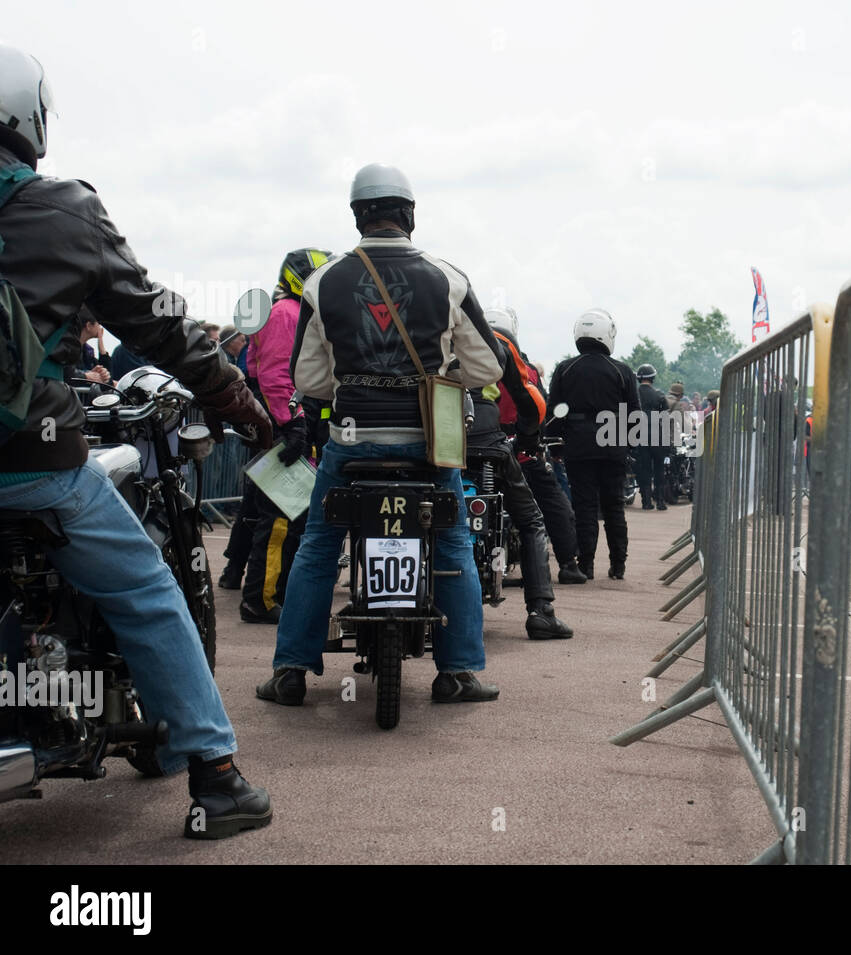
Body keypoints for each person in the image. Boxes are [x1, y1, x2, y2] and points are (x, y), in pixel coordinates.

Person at [0, 44, 274, 838]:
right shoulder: (65, 212)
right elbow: (158, 322)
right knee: (148, 594)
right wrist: (236, 398)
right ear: (30, 118)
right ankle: (218, 780)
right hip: (33, 464)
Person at [255, 163, 505, 706]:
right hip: (427, 446)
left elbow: (309, 379)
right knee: (454, 542)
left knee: (319, 546)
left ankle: (291, 671)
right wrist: (440, 378)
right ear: (410, 214)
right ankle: (457, 671)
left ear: (355, 215)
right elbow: (488, 369)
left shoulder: (323, 282)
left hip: (351, 441)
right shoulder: (448, 277)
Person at [236, 247, 332, 623]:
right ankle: (260, 599)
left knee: (291, 517)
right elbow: (275, 374)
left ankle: (276, 593)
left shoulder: (287, 312)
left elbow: (255, 367)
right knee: (278, 518)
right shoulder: (287, 314)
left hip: (287, 422)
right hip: (287, 425)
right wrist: (292, 424)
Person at [467, 308, 574, 638]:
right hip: (488, 440)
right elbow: (531, 399)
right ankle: (540, 610)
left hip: (433, 443)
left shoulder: (429, 331)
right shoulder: (498, 340)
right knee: (531, 521)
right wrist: (528, 439)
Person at [549, 309, 640, 579]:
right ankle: (618, 565)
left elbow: (556, 411)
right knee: (614, 507)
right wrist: (629, 447)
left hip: (578, 445)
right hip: (613, 444)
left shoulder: (565, 369)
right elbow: (634, 414)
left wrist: (555, 447)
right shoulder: (622, 371)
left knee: (584, 506)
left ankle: (585, 564)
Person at [633, 363, 669, 510]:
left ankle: (646, 502)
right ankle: (660, 501)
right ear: (652, 378)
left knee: (644, 469)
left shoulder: (634, 395)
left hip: (640, 436)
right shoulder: (659, 395)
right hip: (658, 436)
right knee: (659, 469)